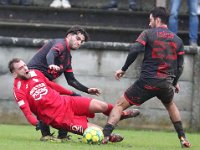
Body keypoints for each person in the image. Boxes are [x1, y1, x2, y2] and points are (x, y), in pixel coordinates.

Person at [102, 7, 191, 148]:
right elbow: (180, 67)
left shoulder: (148, 33)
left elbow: (134, 49)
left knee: (119, 104)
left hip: (147, 82)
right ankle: (183, 138)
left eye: (150, 20)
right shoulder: (178, 40)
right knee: (170, 105)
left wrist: (123, 69)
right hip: (166, 84)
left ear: (157, 20)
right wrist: (175, 82)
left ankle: (106, 135)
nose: (149, 24)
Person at [9, 58, 140, 143]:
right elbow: (26, 112)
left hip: (67, 101)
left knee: (101, 106)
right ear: (15, 73)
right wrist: (36, 123)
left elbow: (53, 86)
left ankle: (121, 115)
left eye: (25, 65)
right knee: (94, 132)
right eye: (21, 68)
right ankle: (110, 137)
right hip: (60, 118)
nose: (26, 68)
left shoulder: (35, 73)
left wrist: (71, 93)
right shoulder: (18, 90)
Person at [28, 25, 102, 141]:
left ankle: (61, 135)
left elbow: (71, 80)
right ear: (69, 36)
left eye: (82, 42)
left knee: (72, 99)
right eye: (78, 39)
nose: (79, 43)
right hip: (33, 80)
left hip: (44, 82)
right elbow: (51, 54)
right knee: (51, 104)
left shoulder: (67, 57)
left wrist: (87, 90)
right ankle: (47, 135)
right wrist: (51, 64)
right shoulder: (61, 44)